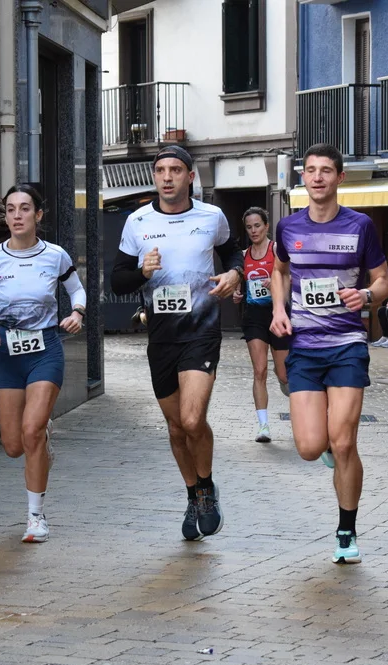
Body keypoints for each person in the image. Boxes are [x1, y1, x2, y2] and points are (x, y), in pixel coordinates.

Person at [110, 146, 243, 541]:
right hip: (162, 337)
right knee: (174, 428)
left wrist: (234, 274)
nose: (167, 177)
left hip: (201, 330)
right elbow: (117, 280)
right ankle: (193, 495)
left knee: (191, 420)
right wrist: (142, 271)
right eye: (160, 170)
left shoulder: (211, 217)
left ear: (190, 177)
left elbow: (232, 252)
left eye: (175, 170)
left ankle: (207, 489)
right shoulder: (137, 222)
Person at [270, 143, 388, 565]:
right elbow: (279, 270)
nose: (317, 177)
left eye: (326, 170)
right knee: (309, 447)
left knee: (343, 443)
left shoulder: (360, 226)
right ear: (302, 177)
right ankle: (325, 447)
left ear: (340, 177)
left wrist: (366, 295)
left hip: (346, 346)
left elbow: (383, 281)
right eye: (310, 170)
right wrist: (279, 309)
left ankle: (346, 529)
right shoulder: (288, 227)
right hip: (304, 347)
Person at [0, 184, 87, 543]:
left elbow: (77, 290)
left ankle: (36, 518)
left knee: (30, 431)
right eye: (10, 209)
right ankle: (42, 435)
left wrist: (77, 313)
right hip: (7, 354)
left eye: (24, 208)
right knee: (13, 446)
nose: (17, 215)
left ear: (38, 215)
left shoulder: (55, 255)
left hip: (45, 350)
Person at [232, 207, 290, 443]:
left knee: (284, 374)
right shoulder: (243, 255)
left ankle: (284, 381)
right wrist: (237, 294)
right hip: (254, 316)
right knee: (259, 370)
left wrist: (275, 284)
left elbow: (289, 277)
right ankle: (263, 426)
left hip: (278, 314)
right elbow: (239, 286)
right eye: (249, 227)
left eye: (257, 225)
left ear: (266, 226)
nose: (253, 231)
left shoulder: (276, 250)